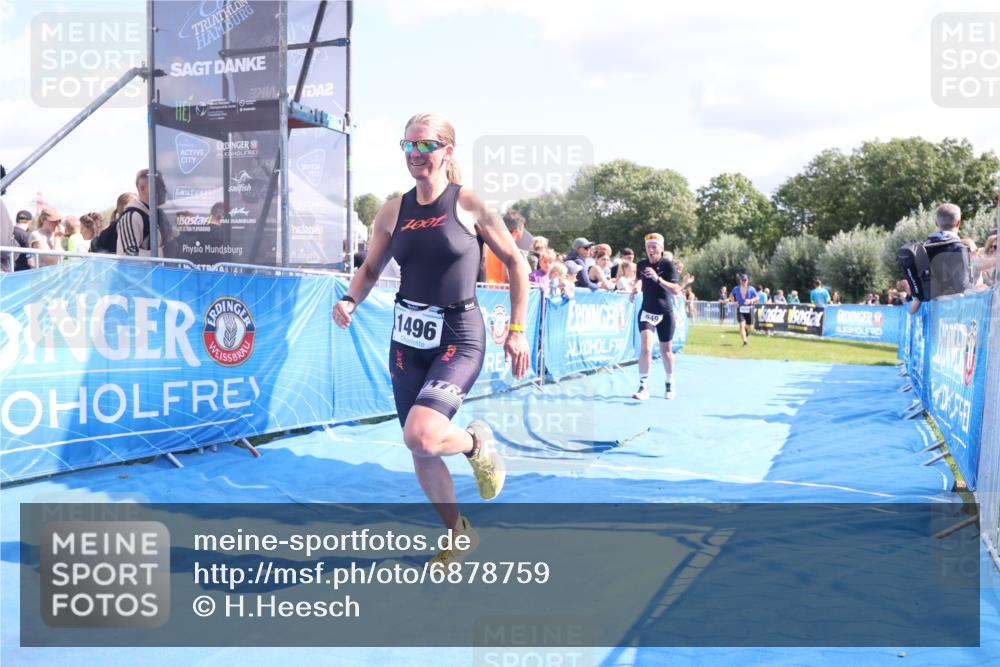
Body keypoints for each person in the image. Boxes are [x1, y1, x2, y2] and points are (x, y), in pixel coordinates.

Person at [332, 112, 530, 564]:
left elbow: (517, 263)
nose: (415, 154)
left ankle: (476, 443)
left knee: (422, 436)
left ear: (447, 151)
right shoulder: (392, 210)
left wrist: (517, 330)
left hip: (458, 335)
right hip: (407, 340)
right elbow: (370, 268)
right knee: (418, 446)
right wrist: (350, 299)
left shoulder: (469, 203)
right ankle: (458, 532)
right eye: (408, 145)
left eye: (425, 145)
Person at [630, 232, 694, 400]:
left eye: (654, 247)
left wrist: (657, 279)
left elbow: (676, 290)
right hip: (647, 311)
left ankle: (669, 381)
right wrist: (635, 288)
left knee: (666, 352)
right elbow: (639, 279)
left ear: (661, 249)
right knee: (646, 347)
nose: (651, 250)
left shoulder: (668, 265)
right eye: (648, 247)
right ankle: (643, 387)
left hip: (665, 313)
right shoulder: (641, 264)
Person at [118, 169, 166, 256]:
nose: (164, 190)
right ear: (142, 189)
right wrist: (162, 253)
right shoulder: (132, 216)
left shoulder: (157, 215)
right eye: (158, 186)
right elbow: (129, 255)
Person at [730, 273, 758, 346]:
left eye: (745, 280)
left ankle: (746, 330)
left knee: (749, 326)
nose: (744, 282)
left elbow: (757, 297)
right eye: (742, 280)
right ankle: (745, 341)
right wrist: (734, 302)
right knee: (741, 326)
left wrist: (751, 301)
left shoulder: (751, 288)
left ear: (747, 281)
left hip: (749, 309)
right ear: (740, 281)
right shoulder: (736, 288)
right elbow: (731, 296)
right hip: (740, 309)